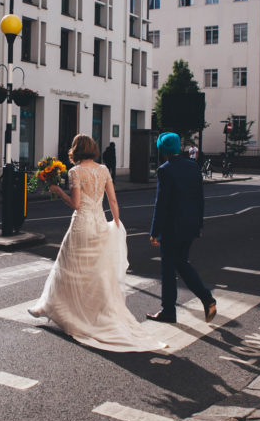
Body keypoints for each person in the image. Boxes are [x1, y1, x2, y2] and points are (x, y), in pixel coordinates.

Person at [28, 134, 165, 352]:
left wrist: (57, 191)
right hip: (100, 223)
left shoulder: (75, 172)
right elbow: (112, 200)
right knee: (96, 272)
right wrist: (117, 222)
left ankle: (51, 308)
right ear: (92, 149)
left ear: (76, 150)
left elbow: (75, 204)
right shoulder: (103, 170)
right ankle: (88, 313)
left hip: (82, 224)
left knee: (68, 268)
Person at [148, 132, 217, 324]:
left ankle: (169, 310)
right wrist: (199, 224)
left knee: (168, 270)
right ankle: (206, 298)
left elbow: (161, 204)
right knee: (181, 263)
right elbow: (199, 198)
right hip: (190, 225)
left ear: (162, 150)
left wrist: (155, 231)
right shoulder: (193, 167)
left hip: (171, 229)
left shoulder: (165, 170)